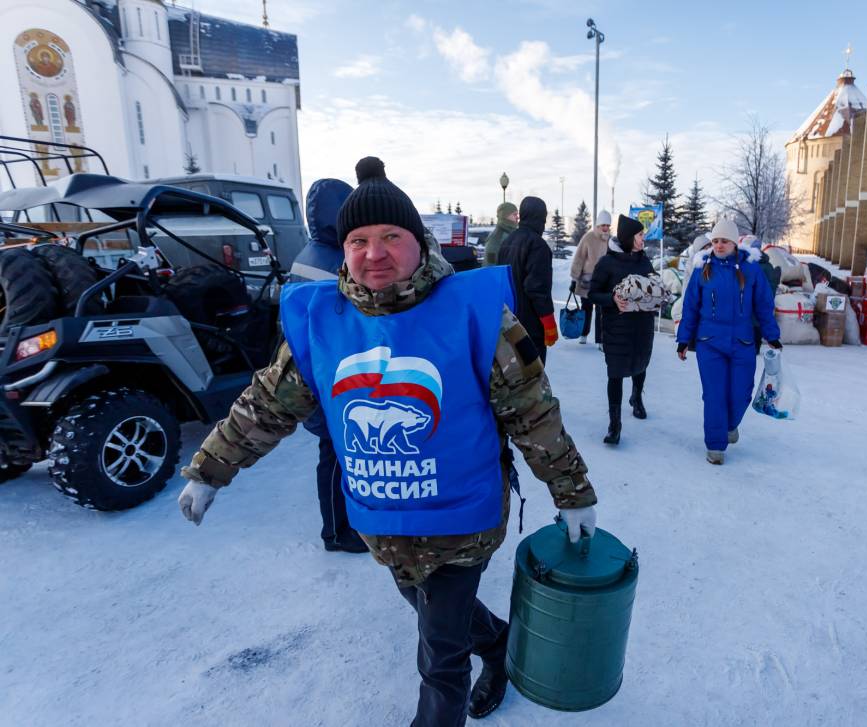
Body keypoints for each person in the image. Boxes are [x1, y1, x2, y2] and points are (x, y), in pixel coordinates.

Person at [177, 157, 598, 726]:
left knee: (440, 659)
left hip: (461, 521)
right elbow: (267, 405)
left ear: (419, 243)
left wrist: (572, 493)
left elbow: (532, 413)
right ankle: (497, 642)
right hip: (383, 521)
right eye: (359, 240)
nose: (374, 253)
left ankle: (475, 674)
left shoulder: (475, 315)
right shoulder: (322, 321)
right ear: (343, 248)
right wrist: (209, 470)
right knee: (431, 611)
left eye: (390, 237)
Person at [287, 177, 367, 553]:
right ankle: (336, 532)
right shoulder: (338, 261)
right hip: (326, 379)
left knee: (334, 453)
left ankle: (342, 525)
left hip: (312, 372)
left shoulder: (309, 252)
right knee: (335, 457)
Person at [676, 218, 781, 465]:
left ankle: (730, 425)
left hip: (742, 341)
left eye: (724, 241)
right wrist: (683, 340)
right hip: (709, 341)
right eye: (715, 241)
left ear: (734, 242)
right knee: (714, 395)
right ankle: (715, 446)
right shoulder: (704, 269)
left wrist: (772, 335)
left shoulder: (751, 269)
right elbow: (690, 307)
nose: (719, 245)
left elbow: (764, 305)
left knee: (742, 393)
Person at [588, 214, 656, 445]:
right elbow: (593, 293)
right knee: (615, 373)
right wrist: (612, 299)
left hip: (642, 324)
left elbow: (652, 285)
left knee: (641, 363)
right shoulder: (607, 263)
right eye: (639, 235)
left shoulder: (644, 260)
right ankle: (614, 424)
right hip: (616, 326)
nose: (643, 238)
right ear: (628, 238)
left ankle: (636, 397)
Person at [497, 196, 557, 363]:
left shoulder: (508, 241)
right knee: (533, 374)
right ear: (541, 218)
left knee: (514, 374)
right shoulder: (538, 245)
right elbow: (537, 288)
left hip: (509, 321)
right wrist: (548, 321)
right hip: (530, 326)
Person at [569, 210, 611, 345]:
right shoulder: (588, 238)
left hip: (604, 282)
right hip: (587, 280)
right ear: (598, 225)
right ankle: (584, 333)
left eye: (607, 225)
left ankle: (600, 340)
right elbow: (579, 258)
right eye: (603, 224)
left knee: (601, 311)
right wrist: (574, 279)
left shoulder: (611, 241)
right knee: (586, 308)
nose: (605, 228)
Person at [483, 202, 517, 267]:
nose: (517, 217)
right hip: (501, 275)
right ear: (505, 215)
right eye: (514, 215)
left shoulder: (511, 233)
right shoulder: (496, 237)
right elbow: (490, 264)